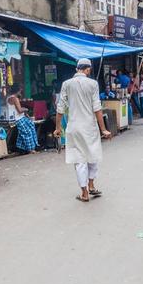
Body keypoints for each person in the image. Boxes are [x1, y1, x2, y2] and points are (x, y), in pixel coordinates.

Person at [54, 58, 111, 202]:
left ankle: (85, 192)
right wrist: (103, 129)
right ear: (87, 69)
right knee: (93, 156)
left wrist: (57, 128)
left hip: (73, 128)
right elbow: (97, 108)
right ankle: (91, 185)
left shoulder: (66, 84)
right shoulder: (93, 84)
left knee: (79, 160)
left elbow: (60, 108)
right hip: (89, 127)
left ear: (77, 69)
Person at [7, 84, 38, 154]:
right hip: (18, 118)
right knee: (28, 132)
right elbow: (20, 110)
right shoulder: (15, 98)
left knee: (30, 126)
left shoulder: (9, 98)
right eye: (20, 90)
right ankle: (31, 149)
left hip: (17, 118)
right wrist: (26, 109)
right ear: (17, 91)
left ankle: (22, 147)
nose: (21, 91)